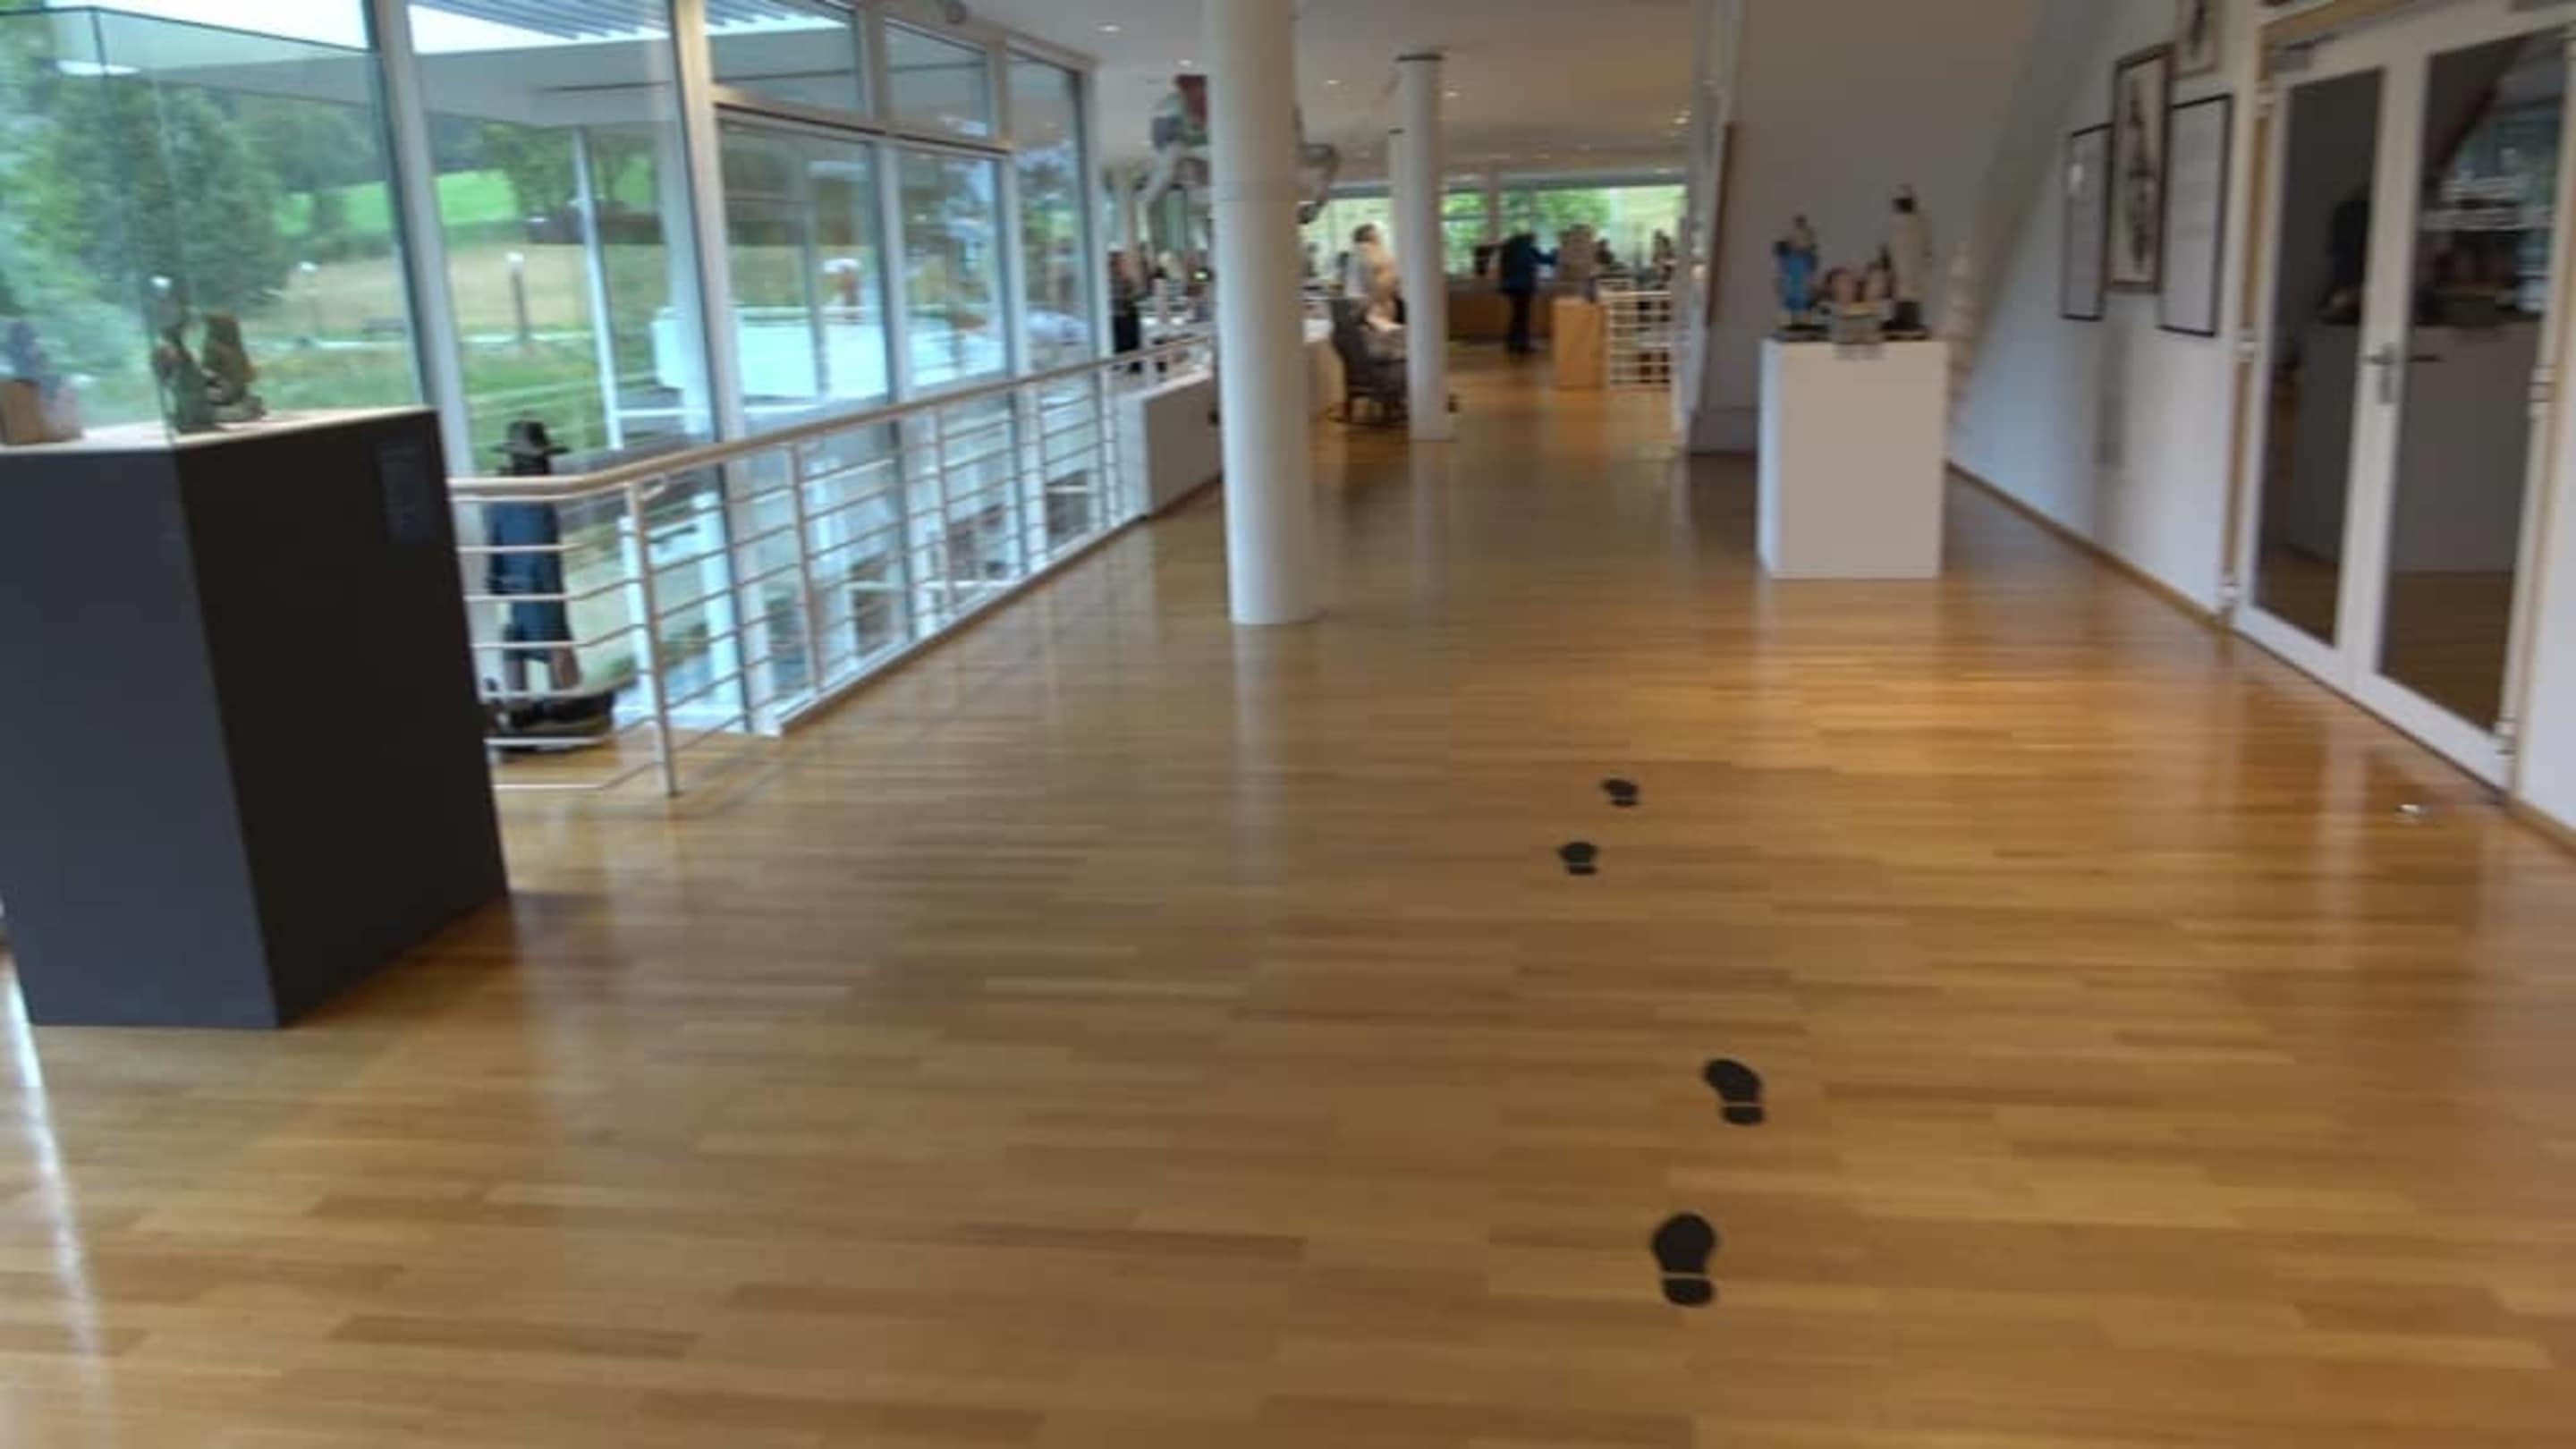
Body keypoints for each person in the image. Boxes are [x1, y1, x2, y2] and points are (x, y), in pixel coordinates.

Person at [1496, 230, 1555, 356]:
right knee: (1522, 317)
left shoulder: (1511, 248)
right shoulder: (1527, 249)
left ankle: (1512, 344)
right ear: (1530, 239)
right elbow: (1543, 260)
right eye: (1534, 239)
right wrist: (1557, 255)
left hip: (1510, 287)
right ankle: (1522, 345)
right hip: (1523, 287)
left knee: (1517, 316)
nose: (1535, 242)